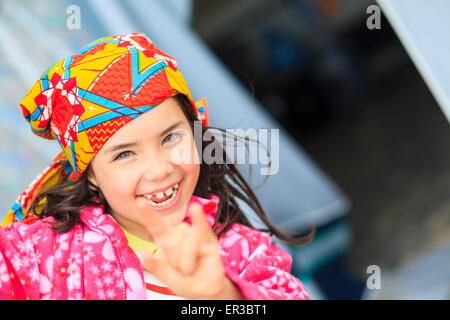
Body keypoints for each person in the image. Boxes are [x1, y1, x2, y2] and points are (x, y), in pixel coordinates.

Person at [0, 33, 313, 300]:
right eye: (124, 154)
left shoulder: (239, 249)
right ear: (90, 174)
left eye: (170, 138)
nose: (160, 169)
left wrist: (223, 295)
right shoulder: (43, 254)